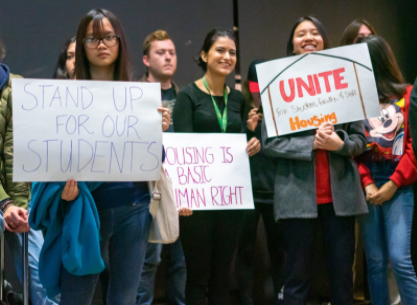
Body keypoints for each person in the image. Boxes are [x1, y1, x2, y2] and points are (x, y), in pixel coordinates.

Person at [29, 8, 171, 305]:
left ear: (120, 42)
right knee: (76, 298)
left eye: (109, 37)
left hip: (134, 206)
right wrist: (60, 189)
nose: (102, 44)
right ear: (81, 45)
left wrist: (157, 132)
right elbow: (50, 158)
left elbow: (154, 159)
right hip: (84, 210)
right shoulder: (63, 97)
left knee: (124, 299)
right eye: (93, 39)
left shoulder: (136, 94)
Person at [262, 16, 368, 305]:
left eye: (314, 33)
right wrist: (311, 143)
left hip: (341, 199)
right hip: (297, 198)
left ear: (324, 40)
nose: (308, 38)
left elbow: (360, 140)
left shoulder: (345, 78)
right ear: (292, 45)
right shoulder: (277, 82)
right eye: (300, 34)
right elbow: (270, 143)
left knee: (342, 278)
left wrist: (339, 144)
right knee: (296, 280)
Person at [173, 28, 260, 305]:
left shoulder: (239, 99)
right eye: (220, 50)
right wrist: (184, 194)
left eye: (232, 52)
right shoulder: (187, 96)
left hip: (229, 200)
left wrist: (252, 140)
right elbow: (182, 150)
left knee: (223, 276)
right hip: (196, 202)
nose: (227, 56)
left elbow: (243, 146)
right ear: (204, 55)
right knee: (198, 277)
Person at [355, 34, 417, 305]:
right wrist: (367, 182)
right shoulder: (354, 98)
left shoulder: (407, 93)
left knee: (400, 259)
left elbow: (414, 145)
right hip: (367, 181)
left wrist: (394, 182)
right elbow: (353, 147)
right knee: (376, 261)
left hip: (399, 183)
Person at [0, 35, 59, 305]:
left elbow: (32, 152)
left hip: (21, 202)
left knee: (41, 283)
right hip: (5, 201)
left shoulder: (21, 88)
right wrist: (4, 204)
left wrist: (21, 207)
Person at [137, 30, 186, 305]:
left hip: (182, 188)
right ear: (146, 59)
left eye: (172, 52)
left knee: (180, 259)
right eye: (160, 52)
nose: (168, 57)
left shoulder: (185, 96)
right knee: (147, 261)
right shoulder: (134, 95)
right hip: (145, 189)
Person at [235, 59, 284, 305]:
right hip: (247, 192)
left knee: (280, 253)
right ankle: (245, 301)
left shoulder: (283, 111)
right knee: (243, 252)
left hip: (275, 190)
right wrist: (249, 130)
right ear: (248, 85)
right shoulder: (241, 110)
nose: (259, 91)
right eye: (255, 85)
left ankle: (281, 298)